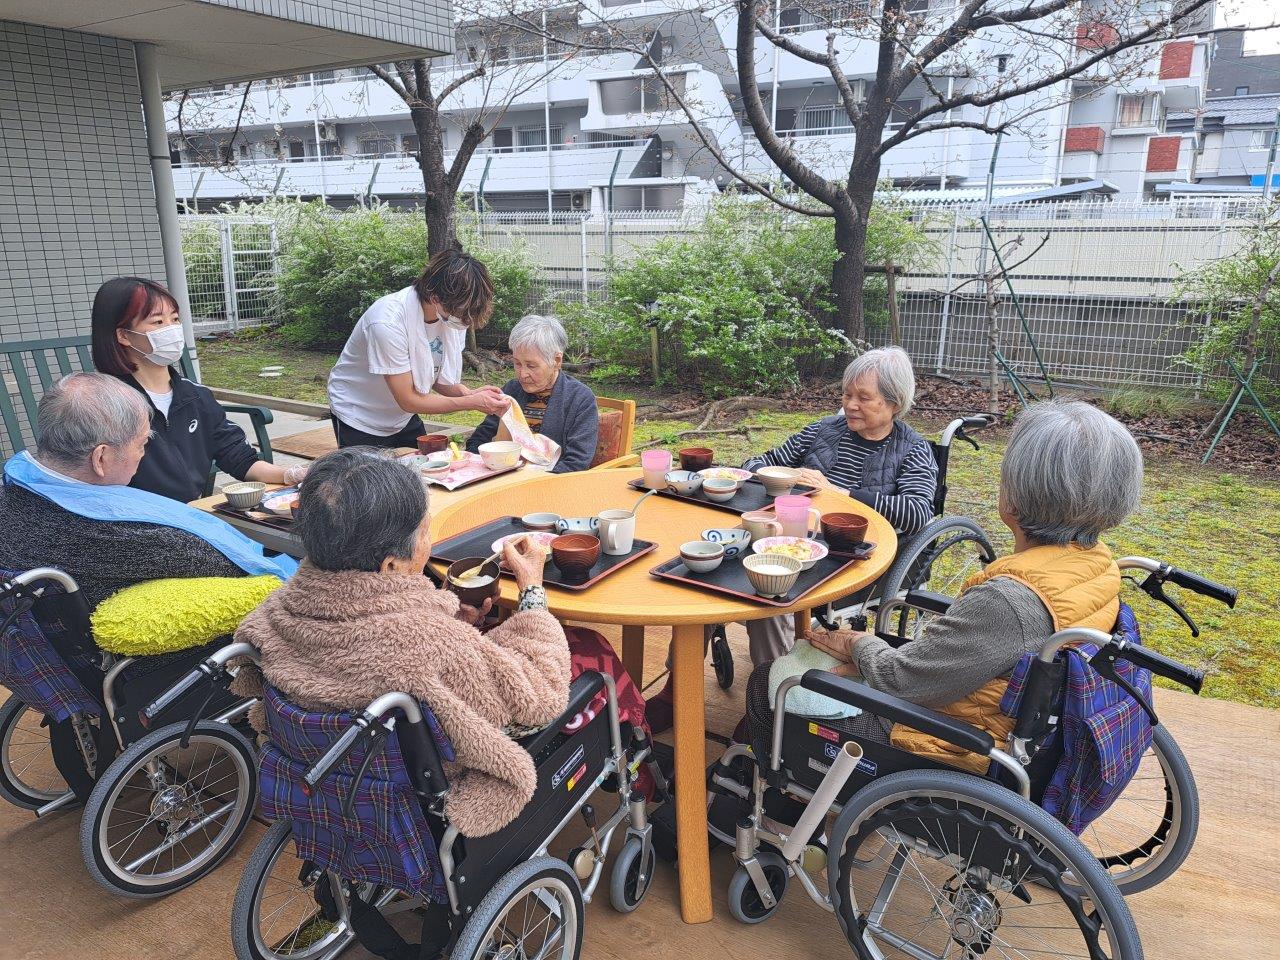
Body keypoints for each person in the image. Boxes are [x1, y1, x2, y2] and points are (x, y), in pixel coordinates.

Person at [230, 449, 648, 840]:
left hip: (330, 774)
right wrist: (533, 592)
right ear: (391, 565)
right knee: (592, 649)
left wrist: (450, 615)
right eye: (425, 530)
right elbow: (536, 697)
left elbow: (377, 633)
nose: (430, 540)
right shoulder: (431, 647)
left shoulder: (275, 613)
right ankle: (638, 763)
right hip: (423, 794)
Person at [746, 399, 1143, 774]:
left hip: (940, 742)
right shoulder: (1097, 561)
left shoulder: (1008, 601)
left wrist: (855, 644)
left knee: (768, 682)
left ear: (1018, 496)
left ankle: (778, 792)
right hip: (985, 706)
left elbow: (902, 681)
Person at [646, 347, 938, 732]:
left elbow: (918, 510)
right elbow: (757, 463)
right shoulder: (824, 430)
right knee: (704, 575)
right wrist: (777, 475)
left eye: (863, 397)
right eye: (847, 394)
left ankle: (769, 703)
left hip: (846, 558)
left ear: (895, 403)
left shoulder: (912, 449)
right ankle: (676, 690)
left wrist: (841, 493)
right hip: (785, 541)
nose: (849, 405)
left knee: (771, 598)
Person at [0, 373, 296, 610]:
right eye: (142, 444)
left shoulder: (12, 498)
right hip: (169, 665)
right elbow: (260, 576)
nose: (144, 453)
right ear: (101, 458)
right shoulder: (141, 538)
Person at [90, 277, 305, 503]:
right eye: (158, 322)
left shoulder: (195, 396)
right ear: (123, 335)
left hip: (191, 514)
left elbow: (239, 457)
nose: (172, 330)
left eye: (175, 319)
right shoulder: (102, 405)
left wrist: (290, 475)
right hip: (135, 522)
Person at [327, 250, 511, 449]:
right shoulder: (387, 323)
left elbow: (437, 378)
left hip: (402, 417)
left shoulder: (452, 319)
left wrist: (470, 394)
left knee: (423, 472)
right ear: (434, 297)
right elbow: (408, 399)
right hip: (360, 415)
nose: (466, 320)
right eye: (461, 312)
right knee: (367, 478)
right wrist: (471, 402)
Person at [466, 315, 599, 473]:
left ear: (556, 360)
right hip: (501, 480)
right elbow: (480, 438)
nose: (522, 374)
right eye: (517, 363)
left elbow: (576, 462)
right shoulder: (512, 390)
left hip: (552, 485)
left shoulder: (580, 399)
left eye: (531, 365)